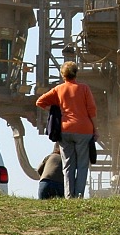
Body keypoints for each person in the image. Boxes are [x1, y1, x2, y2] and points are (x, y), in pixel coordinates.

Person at [36, 61, 97, 198]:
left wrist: (55, 111)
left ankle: (69, 196)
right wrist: (95, 129)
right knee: (82, 165)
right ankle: (79, 195)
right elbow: (92, 110)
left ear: (63, 75)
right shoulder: (84, 88)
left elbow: (40, 101)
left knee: (68, 165)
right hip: (84, 130)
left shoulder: (58, 89)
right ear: (76, 73)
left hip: (65, 130)